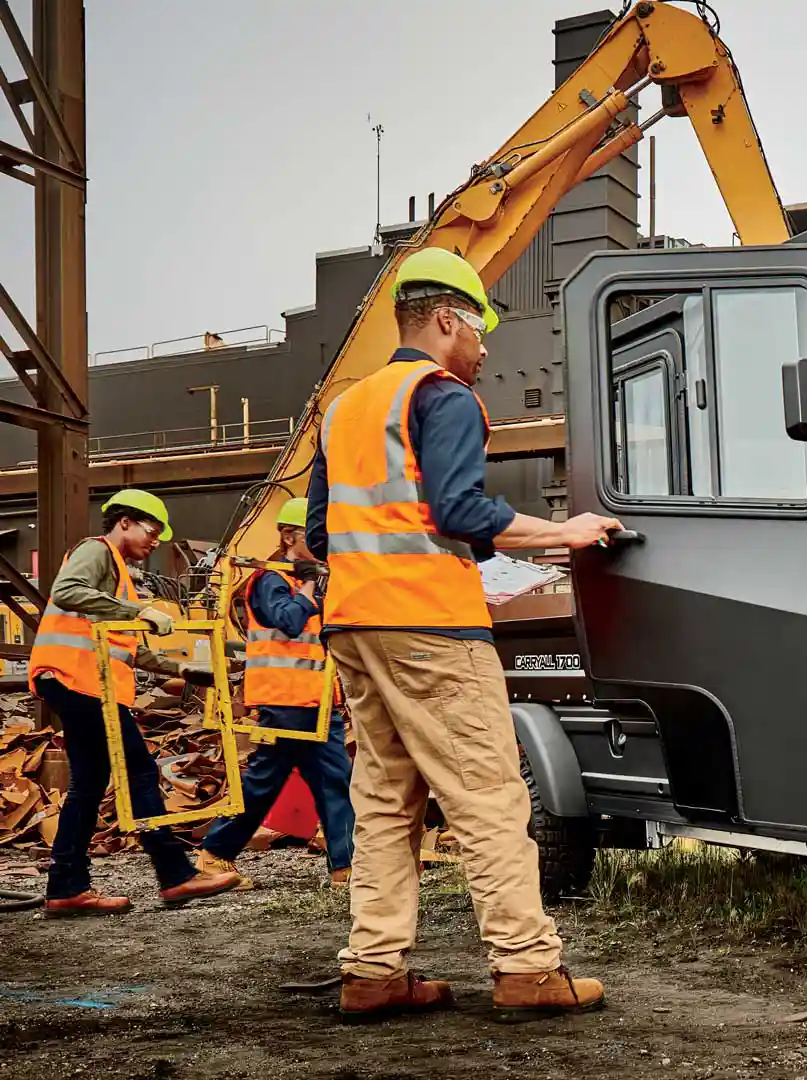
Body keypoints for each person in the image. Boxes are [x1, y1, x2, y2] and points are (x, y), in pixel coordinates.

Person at [306, 247, 623, 1024]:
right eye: (480, 330)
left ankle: (373, 970)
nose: (485, 348)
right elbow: (454, 510)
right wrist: (563, 531)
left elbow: (320, 532)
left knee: (385, 799)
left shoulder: (347, 408)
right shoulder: (441, 395)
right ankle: (527, 967)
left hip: (355, 624)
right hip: (430, 625)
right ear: (446, 319)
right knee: (487, 792)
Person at [29, 489, 243, 915]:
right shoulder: (97, 552)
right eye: (152, 530)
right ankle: (175, 875)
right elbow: (68, 590)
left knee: (89, 785)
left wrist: (180, 669)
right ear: (123, 522)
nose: (156, 541)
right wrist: (135, 609)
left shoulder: (118, 574)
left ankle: (66, 887)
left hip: (81, 682)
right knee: (140, 772)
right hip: (79, 681)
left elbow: (125, 647)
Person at [194, 497, 355, 890]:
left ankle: (345, 869)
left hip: (316, 704)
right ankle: (214, 853)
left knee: (335, 781)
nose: (322, 544)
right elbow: (287, 620)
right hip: (285, 702)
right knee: (269, 780)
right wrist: (312, 582)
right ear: (288, 536)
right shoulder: (268, 579)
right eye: (314, 536)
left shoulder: (305, 583)